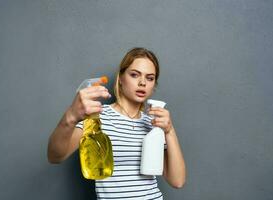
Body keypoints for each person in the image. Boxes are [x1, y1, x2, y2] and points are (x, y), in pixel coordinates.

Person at [47, 47, 186, 199]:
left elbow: (177, 181)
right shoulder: (97, 115)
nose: (142, 83)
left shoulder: (154, 123)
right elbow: (55, 156)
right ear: (120, 79)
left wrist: (170, 131)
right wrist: (70, 117)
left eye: (150, 78)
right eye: (134, 75)